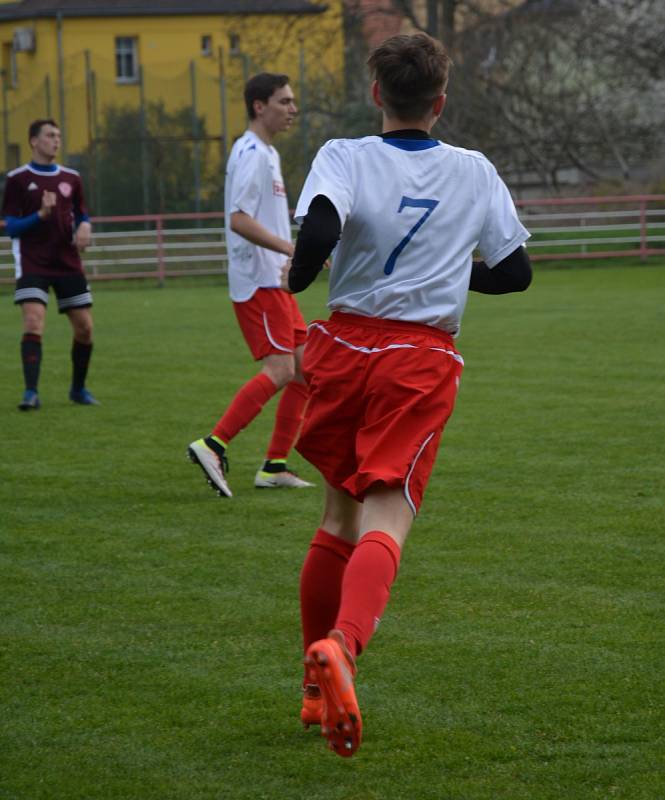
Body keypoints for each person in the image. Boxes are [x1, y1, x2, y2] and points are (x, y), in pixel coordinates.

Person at [284, 33, 532, 757]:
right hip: (416, 358)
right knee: (387, 514)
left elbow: (322, 227)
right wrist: (454, 277)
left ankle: (308, 688)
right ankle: (343, 647)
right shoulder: (473, 169)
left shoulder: (343, 154)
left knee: (336, 513)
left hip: (343, 346)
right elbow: (514, 272)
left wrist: (300, 278)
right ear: (440, 101)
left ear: (375, 95)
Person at [187, 73, 313, 498]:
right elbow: (238, 219)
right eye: (284, 101)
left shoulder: (268, 154)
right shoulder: (251, 153)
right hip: (259, 280)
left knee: (306, 370)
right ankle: (213, 444)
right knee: (280, 369)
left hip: (274, 279)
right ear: (259, 106)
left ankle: (275, 465)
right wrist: (288, 249)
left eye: (293, 101)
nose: (292, 108)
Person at [2, 118, 97, 410]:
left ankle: (78, 389)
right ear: (34, 141)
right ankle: (31, 392)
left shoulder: (72, 178)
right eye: (49, 135)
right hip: (33, 262)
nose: (56, 140)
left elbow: (81, 214)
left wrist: (85, 227)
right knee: (33, 320)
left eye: (58, 135)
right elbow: (11, 227)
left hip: (67, 262)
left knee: (85, 329)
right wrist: (40, 215)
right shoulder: (18, 179)